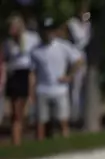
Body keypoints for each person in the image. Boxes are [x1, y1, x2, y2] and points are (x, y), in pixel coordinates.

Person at [30, 17, 83, 140]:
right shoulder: (35, 51)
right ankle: (40, 145)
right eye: (45, 31)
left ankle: (65, 143)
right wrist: (31, 91)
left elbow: (79, 60)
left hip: (60, 90)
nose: (48, 33)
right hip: (42, 89)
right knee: (41, 122)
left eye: (50, 30)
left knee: (62, 120)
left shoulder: (63, 46)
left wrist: (69, 76)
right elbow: (32, 72)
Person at [2, 14, 40, 146]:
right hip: (14, 74)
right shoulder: (8, 43)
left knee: (23, 109)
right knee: (15, 111)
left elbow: (36, 56)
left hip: (27, 73)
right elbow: (7, 59)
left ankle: (21, 136)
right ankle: (16, 140)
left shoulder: (31, 38)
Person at [66, 0, 91, 124]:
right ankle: (74, 116)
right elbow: (79, 39)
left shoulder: (88, 24)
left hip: (85, 56)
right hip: (75, 55)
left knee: (84, 87)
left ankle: (82, 114)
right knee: (74, 87)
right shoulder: (72, 23)